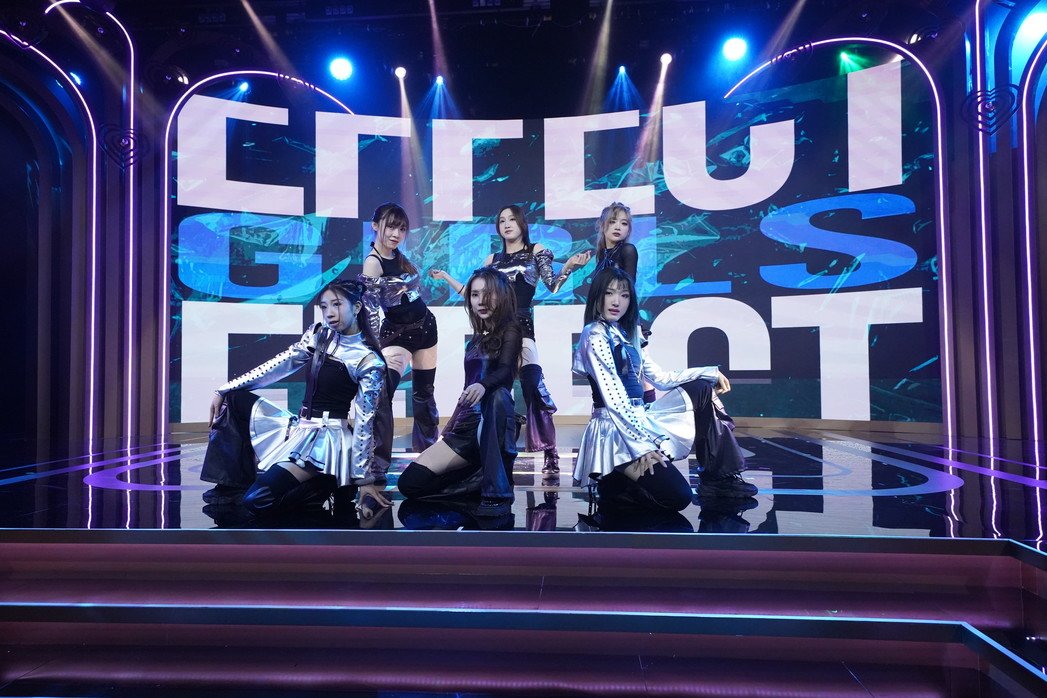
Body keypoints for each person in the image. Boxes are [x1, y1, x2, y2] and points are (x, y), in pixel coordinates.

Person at [201, 278, 389, 519]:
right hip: (299, 428)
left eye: (337, 304)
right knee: (235, 399)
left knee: (256, 500)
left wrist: (363, 479)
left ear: (357, 307)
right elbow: (279, 365)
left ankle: (322, 484)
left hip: (327, 441)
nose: (329, 313)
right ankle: (231, 486)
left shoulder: (369, 360)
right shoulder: (320, 335)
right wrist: (224, 389)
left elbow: (365, 422)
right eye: (324, 306)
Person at [572, 266, 757, 510]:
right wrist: (642, 445)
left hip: (640, 418)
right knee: (678, 497)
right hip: (615, 431)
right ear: (598, 296)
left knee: (702, 389)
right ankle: (615, 483)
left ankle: (718, 478)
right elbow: (613, 398)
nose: (617, 301)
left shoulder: (627, 333)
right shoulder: (593, 333)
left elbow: (661, 378)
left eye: (624, 295)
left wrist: (709, 372)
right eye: (609, 293)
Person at [430, 205, 587, 474]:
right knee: (485, 385)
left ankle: (549, 450)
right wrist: (445, 277)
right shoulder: (492, 259)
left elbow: (552, 285)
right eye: (502, 220)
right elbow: (472, 292)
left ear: (522, 223)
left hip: (521, 328)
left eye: (512, 219)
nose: (507, 224)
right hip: (493, 332)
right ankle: (476, 446)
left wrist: (570, 267)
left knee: (533, 385)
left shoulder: (536, 251)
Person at [397, 267, 523, 517]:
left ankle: (493, 488)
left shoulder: (511, 329)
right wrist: (451, 426)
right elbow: (468, 387)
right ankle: (477, 482)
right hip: (464, 428)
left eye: (488, 294)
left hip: (490, 422)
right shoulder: (476, 339)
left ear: (501, 295)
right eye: (475, 295)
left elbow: (506, 371)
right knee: (409, 483)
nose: (481, 301)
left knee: (498, 397)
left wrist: (483, 385)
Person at [360, 203, 440, 457]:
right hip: (398, 334)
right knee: (382, 396)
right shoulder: (373, 263)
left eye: (402, 229)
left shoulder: (399, 257)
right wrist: (373, 350)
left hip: (426, 327)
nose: (396, 234)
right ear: (375, 226)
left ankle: (428, 457)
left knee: (424, 394)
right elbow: (370, 313)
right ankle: (377, 461)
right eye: (391, 227)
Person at [592, 201, 636, 280]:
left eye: (624, 223)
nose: (618, 227)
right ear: (602, 225)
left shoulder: (628, 250)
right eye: (612, 222)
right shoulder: (602, 254)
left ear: (628, 230)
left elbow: (629, 285)